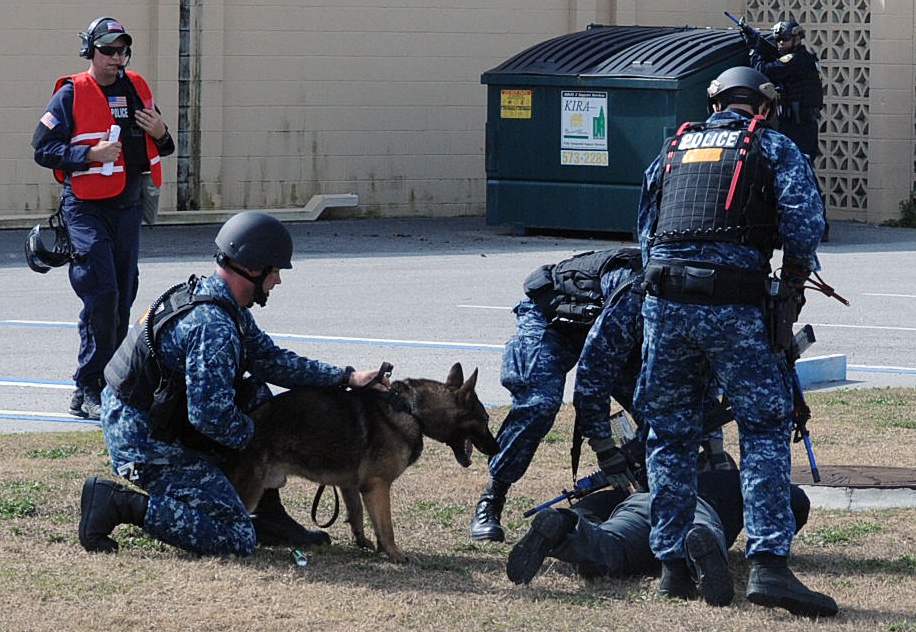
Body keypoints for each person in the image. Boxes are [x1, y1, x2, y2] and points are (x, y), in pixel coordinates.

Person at [633, 66, 837, 618]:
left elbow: (645, 231)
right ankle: (769, 567)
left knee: (670, 435)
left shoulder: (673, 150)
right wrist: (792, 282)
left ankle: (673, 568)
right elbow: (803, 224)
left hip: (665, 303)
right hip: (735, 305)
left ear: (715, 102)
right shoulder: (772, 147)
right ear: (763, 108)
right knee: (764, 428)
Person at [78, 211, 389, 557]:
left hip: (152, 422)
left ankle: (268, 516)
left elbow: (269, 359)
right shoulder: (215, 328)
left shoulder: (221, 303)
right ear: (253, 270)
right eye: (275, 271)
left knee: (255, 394)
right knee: (235, 535)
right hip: (146, 445)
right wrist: (272, 446)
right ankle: (117, 504)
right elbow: (209, 416)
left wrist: (346, 377)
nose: (278, 281)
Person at [469, 249, 730, 542]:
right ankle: (491, 499)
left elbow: (698, 381)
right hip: (555, 321)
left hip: (620, 336)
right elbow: (593, 378)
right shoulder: (637, 297)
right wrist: (605, 450)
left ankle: (649, 494)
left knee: (659, 413)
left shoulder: (702, 312)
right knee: (539, 403)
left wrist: (714, 451)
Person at [32, 17, 175, 420]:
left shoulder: (137, 88)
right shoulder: (71, 93)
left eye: (122, 51)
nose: (116, 58)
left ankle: (113, 382)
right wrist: (89, 156)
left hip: (127, 207)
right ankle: (88, 387)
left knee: (124, 295)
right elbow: (42, 149)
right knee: (103, 294)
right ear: (90, 52)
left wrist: (162, 132)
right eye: (108, 51)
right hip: (85, 207)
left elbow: (164, 145)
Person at [507, 469, 811, 608]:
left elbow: (589, 508)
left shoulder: (635, 476)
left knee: (606, 544)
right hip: (696, 506)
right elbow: (796, 501)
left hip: (637, 507)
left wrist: (572, 520)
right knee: (702, 529)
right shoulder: (728, 480)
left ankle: (564, 529)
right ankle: (699, 549)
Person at [744, 19, 828, 240]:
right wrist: (757, 40)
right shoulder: (794, 58)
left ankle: (819, 226)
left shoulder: (799, 59)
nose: (780, 43)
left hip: (800, 126)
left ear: (798, 38)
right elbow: (776, 58)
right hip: (794, 124)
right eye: (778, 39)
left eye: (785, 39)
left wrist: (755, 50)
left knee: (802, 172)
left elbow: (765, 70)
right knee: (796, 172)